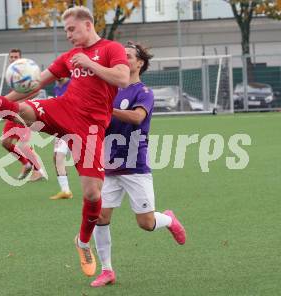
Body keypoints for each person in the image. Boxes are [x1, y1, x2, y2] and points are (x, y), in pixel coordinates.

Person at [0, 6, 130, 277]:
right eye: (66, 31)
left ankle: (82, 242)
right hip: (64, 108)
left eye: (72, 29)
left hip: (91, 129)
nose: (69, 35)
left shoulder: (111, 49)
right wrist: (0, 101)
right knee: (25, 110)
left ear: (87, 24)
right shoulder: (70, 56)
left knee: (93, 194)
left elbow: (123, 77)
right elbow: (35, 83)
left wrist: (91, 64)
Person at [90, 42, 187, 287]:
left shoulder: (144, 92)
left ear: (139, 63)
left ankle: (168, 220)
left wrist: (107, 110)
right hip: (110, 165)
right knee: (100, 217)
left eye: (128, 56)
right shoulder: (111, 89)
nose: (123, 59)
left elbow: (137, 117)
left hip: (135, 166)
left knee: (146, 224)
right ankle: (107, 270)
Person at [0, 48, 47, 181]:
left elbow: (35, 91)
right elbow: (12, 96)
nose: (13, 59)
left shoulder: (26, 72)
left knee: (23, 144)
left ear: (21, 59)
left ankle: (38, 170)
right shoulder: (12, 74)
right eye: (11, 57)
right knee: (6, 143)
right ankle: (27, 164)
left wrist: (9, 103)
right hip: (13, 111)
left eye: (16, 57)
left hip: (24, 112)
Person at [49, 78, 73, 200]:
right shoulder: (57, 87)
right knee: (58, 156)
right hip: (62, 127)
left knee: (87, 160)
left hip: (77, 126)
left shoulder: (74, 83)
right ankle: (65, 190)